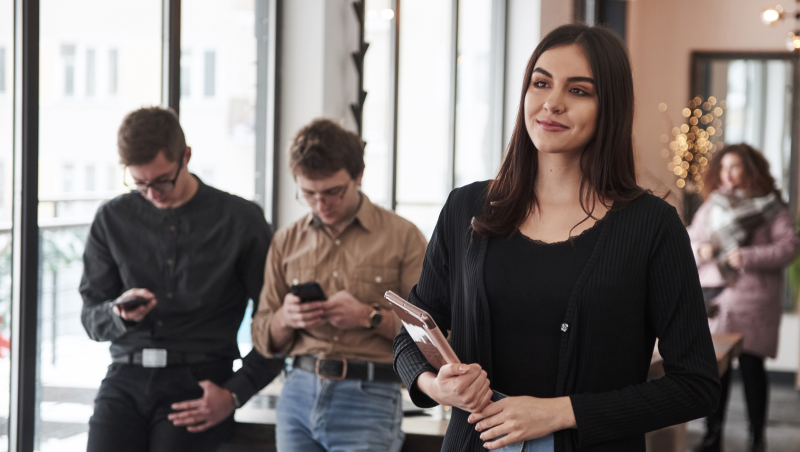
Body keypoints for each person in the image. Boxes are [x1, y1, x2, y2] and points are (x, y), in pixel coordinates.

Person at [393, 24, 721, 452]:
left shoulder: (652, 227)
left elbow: (696, 385)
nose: (552, 103)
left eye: (579, 91)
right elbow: (409, 335)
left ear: (610, 108)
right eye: (541, 83)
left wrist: (561, 412)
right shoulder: (466, 208)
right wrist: (438, 387)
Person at [80, 107, 283, 452]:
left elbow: (277, 322)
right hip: (125, 377)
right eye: (139, 184)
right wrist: (118, 314)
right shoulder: (112, 217)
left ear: (186, 156)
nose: (152, 194)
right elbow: (90, 319)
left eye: (162, 181)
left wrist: (235, 393)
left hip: (200, 384)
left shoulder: (241, 220)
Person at [251, 118, 428, 452]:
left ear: (358, 175)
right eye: (308, 194)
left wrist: (369, 317)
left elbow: (432, 337)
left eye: (333, 192)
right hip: (296, 393)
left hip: (369, 396)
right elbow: (262, 335)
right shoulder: (286, 240)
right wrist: (285, 319)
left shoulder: (404, 237)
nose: (321, 204)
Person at [688, 143, 799, 452]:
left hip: (753, 301)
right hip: (716, 300)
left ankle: (756, 438)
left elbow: (790, 246)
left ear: (750, 169)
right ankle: (712, 437)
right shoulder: (712, 205)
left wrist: (747, 256)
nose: (728, 175)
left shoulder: (771, 206)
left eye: (735, 167)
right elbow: (690, 239)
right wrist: (702, 250)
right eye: (723, 168)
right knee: (715, 371)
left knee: (752, 369)